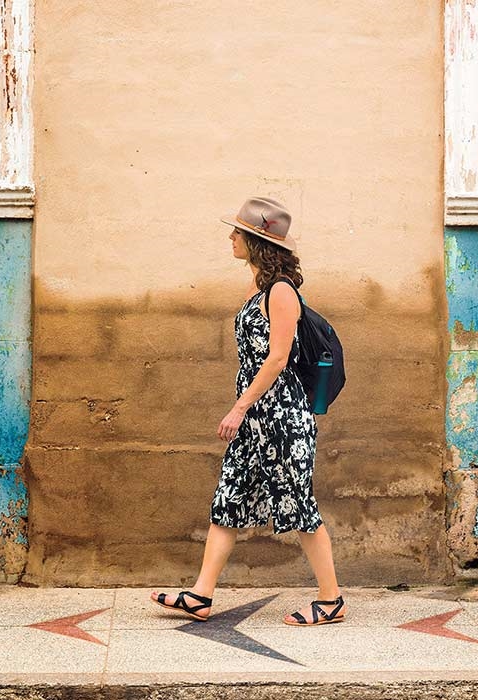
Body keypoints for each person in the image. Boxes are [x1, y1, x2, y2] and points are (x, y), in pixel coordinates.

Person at [151, 197, 345, 626]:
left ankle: (331, 599)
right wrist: (245, 412)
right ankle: (200, 595)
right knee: (229, 498)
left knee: (298, 504)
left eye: (237, 232)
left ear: (258, 241)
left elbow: (277, 359)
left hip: (282, 418)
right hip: (256, 419)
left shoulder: (281, 292)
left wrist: (238, 408)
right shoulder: (258, 289)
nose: (231, 237)